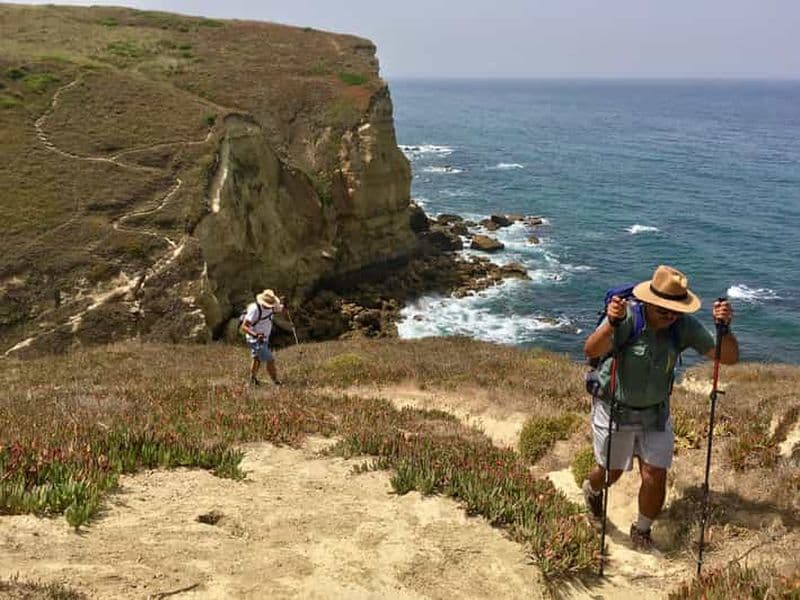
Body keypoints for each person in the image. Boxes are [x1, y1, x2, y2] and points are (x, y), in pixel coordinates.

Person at [582, 265, 739, 550]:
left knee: (655, 474)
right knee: (611, 472)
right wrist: (610, 323)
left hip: (656, 412)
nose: (670, 317)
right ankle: (591, 490)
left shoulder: (681, 325)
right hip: (614, 408)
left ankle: (642, 529)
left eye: (676, 311)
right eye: (664, 311)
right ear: (649, 302)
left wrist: (725, 329)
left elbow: (726, 357)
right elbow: (591, 350)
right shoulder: (627, 317)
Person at [241, 289, 288, 387]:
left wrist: (284, 304)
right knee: (270, 359)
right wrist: (256, 335)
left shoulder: (272, 306)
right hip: (254, 339)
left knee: (257, 358)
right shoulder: (254, 309)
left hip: (264, 338)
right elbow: (244, 327)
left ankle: (252, 380)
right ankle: (275, 382)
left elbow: (283, 311)